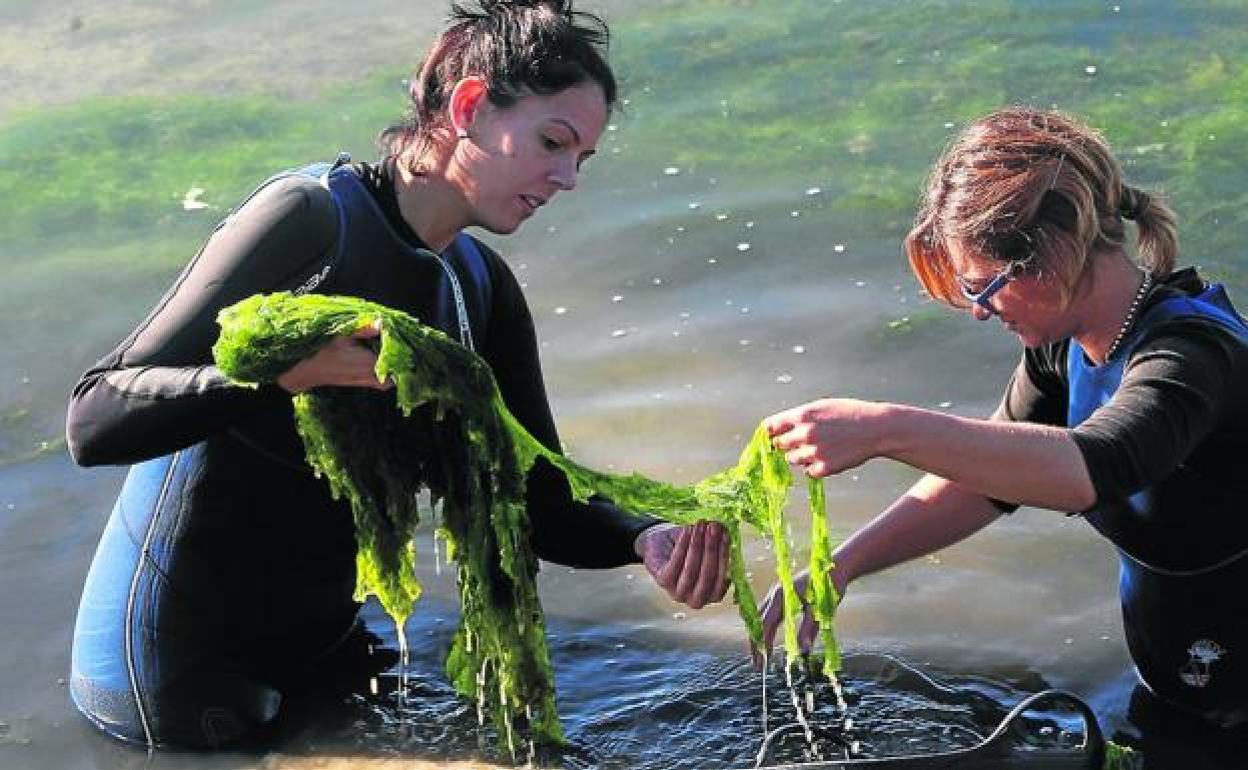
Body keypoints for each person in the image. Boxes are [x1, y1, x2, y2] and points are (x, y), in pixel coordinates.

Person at [65, 0, 730, 749]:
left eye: (582, 158)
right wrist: (275, 376)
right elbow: (94, 417)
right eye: (553, 142)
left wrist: (647, 538)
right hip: (175, 666)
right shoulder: (312, 220)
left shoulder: (480, 289)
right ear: (471, 105)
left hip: (328, 648)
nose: (567, 177)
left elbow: (539, 501)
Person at [757, 108, 1248, 750]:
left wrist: (885, 428)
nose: (979, 314)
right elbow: (983, 483)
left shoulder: (1192, 355)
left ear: (1050, 254)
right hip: (1179, 676)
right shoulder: (1063, 345)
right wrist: (840, 568)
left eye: (983, 288)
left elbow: (1096, 466)